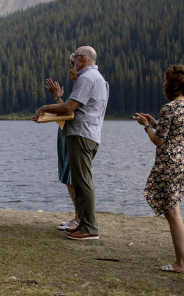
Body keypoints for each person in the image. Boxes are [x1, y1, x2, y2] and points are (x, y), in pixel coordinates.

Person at [35, 46, 109, 240]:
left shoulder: (87, 78)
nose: (72, 64)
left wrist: (44, 108)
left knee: (83, 182)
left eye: (74, 59)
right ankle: (83, 224)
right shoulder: (98, 78)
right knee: (80, 180)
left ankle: (89, 228)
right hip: (89, 134)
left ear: (82, 58)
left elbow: (69, 109)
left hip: (82, 135)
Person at [134, 65, 184, 274]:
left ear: (171, 85)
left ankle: (181, 263)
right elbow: (176, 132)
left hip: (169, 165)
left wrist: (146, 126)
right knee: (176, 212)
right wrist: (155, 122)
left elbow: (159, 141)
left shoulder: (169, 108)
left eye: (165, 82)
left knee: (173, 216)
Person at [35, 54, 79, 231]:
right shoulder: (77, 87)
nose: (70, 69)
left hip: (72, 137)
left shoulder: (82, 86)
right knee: (69, 178)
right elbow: (65, 114)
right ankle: (77, 217)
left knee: (72, 178)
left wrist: (47, 107)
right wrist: (56, 100)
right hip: (66, 135)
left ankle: (79, 219)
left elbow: (69, 114)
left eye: (72, 66)